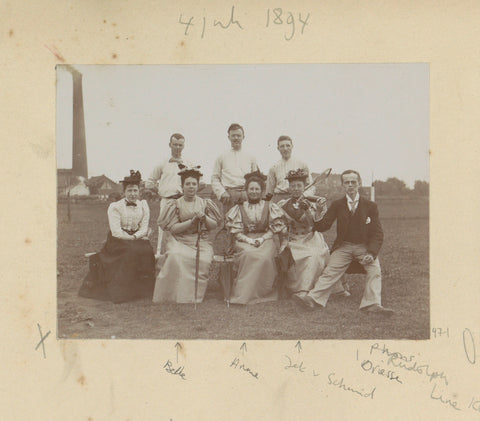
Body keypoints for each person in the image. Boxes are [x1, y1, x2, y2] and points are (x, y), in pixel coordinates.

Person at [295, 170, 394, 315]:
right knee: (330, 271)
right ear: (343, 185)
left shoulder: (370, 206)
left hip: (364, 247)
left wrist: (371, 253)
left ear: (359, 183)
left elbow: (377, 233)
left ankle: (372, 304)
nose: (350, 185)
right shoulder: (337, 205)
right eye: (347, 182)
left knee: (375, 270)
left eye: (353, 182)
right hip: (344, 247)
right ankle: (312, 299)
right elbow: (323, 226)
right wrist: (314, 211)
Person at [78, 170, 155, 303]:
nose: (132, 194)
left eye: (135, 191)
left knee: (146, 251)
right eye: (129, 191)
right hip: (118, 240)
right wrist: (131, 239)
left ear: (139, 192)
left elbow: (144, 228)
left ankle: (142, 291)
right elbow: (116, 231)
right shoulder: (115, 207)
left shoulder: (143, 206)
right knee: (130, 251)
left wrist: (135, 237)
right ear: (124, 192)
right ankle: (121, 293)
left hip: (137, 237)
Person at [152, 166, 222, 304]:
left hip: (200, 241)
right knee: (176, 256)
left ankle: (192, 296)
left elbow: (214, 225)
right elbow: (173, 229)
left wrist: (204, 219)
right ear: (182, 186)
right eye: (188, 184)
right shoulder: (175, 204)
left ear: (198, 186)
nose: (191, 187)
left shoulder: (205, 203)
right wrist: (191, 222)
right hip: (179, 239)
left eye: (194, 184)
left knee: (203, 260)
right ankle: (172, 294)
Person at [278, 169, 346, 298]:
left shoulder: (313, 203)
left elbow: (314, 225)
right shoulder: (282, 205)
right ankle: (301, 290)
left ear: (304, 187)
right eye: (293, 186)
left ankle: (328, 288)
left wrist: (308, 210)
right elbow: (281, 225)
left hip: (311, 237)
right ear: (289, 188)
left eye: (299, 186)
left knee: (316, 254)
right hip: (294, 239)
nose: (296, 189)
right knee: (306, 255)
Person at [226, 170, 286, 304]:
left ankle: (264, 293)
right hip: (244, 239)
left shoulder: (269, 206)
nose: (254, 191)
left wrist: (262, 239)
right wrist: (249, 240)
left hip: (265, 239)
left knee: (264, 256)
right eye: (251, 188)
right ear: (246, 190)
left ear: (262, 190)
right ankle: (243, 294)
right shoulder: (239, 208)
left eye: (257, 189)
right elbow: (236, 232)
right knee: (248, 254)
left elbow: (274, 229)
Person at [145, 133, 193, 258]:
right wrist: (161, 191)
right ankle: (162, 255)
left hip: (183, 201)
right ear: (170, 145)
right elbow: (149, 183)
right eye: (175, 144)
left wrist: (188, 193)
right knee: (164, 229)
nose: (177, 147)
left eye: (180, 145)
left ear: (184, 146)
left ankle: (182, 256)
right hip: (167, 201)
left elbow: (200, 181)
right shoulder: (162, 162)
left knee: (183, 228)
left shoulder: (188, 162)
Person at [211, 123, 258, 213]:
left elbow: (255, 179)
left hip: (246, 194)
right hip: (229, 195)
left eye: (238, 135)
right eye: (233, 136)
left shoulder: (251, 156)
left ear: (243, 137)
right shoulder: (221, 156)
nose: (236, 138)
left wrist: (251, 193)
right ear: (229, 137)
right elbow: (215, 178)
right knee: (230, 223)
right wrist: (222, 192)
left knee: (249, 223)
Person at [266, 135, 316, 203]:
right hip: (280, 201)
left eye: (288, 145)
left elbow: (311, 187)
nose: (285, 148)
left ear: (292, 146)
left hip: (299, 200)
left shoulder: (302, 164)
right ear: (278, 148)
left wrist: (304, 196)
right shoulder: (273, 167)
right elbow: (269, 191)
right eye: (282, 146)